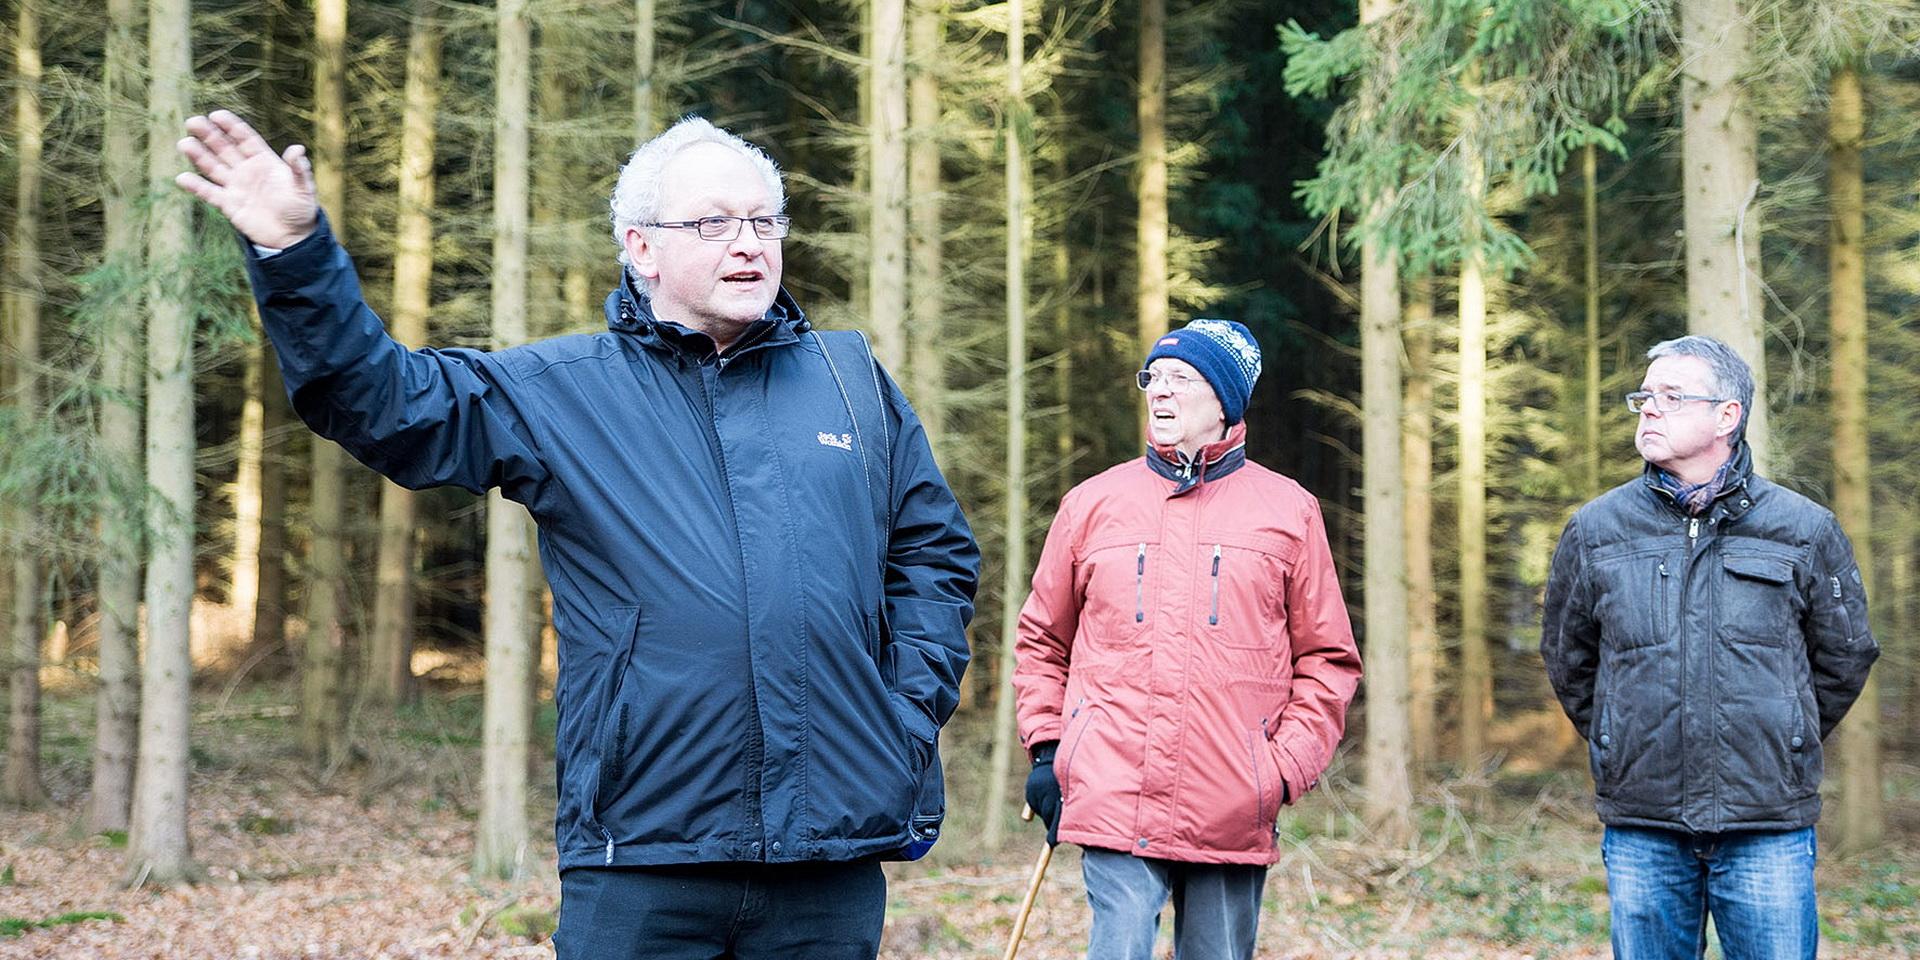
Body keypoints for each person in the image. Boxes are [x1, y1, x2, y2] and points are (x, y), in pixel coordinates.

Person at [175, 110, 979, 960]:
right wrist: (295, 256)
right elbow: (383, 401)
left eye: (763, 220)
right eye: (712, 223)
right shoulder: (564, 390)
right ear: (641, 247)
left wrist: (902, 712)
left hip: (832, 858)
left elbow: (933, 553)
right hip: (642, 855)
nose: (748, 244)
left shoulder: (850, 381)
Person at [1011, 319, 1362, 960]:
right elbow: (1041, 640)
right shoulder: (1091, 505)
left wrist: (1278, 773)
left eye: (1183, 379)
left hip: (1232, 802)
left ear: (1225, 402)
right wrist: (1049, 749)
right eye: (1154, 377)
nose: (1161, 393)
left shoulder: (1290, 512)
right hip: (1114, 791)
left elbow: (1329, 661)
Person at [1541, 335, 1878, 960]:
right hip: (1644, 819)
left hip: (1767, 821)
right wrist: (1620, 733)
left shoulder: (1803, 529)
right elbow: (1569, 657)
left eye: (1672, 396)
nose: (1648, 408)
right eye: (1644, 395)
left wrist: (1788, 732)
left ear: (1728, 415)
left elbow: (1845, 653)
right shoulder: (1596, 530)